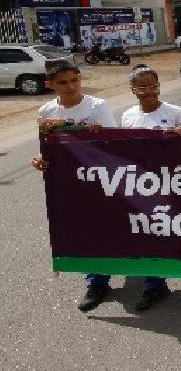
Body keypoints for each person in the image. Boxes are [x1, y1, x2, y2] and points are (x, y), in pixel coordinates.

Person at [32, 60, 117, 312]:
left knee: (110, 228)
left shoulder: (98, 106)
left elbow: (116, 144)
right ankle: (96, 282)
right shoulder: (46, 111)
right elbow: (47, 147)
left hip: (101, 178)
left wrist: (96, 134)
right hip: (69, 182)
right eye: (63, 83)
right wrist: (40, 159)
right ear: (50, 84)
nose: (71, 87)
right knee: (85, 231)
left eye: (74, 80)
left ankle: (137, 270)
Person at [120, 64, 181, 310]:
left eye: (153, 85)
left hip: (174, 184)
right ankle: (155, 285)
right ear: (133, 90)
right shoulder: (128, 117)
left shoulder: (175, 112)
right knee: (150, 234)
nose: (149, 91)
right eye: (142, 87)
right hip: (144, 187)